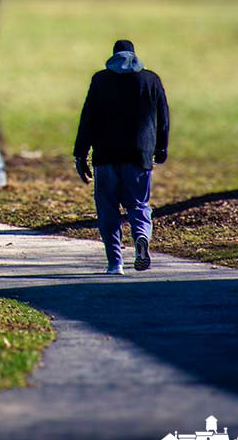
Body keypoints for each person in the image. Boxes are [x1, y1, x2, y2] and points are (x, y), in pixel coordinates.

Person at [73, 38, 170, 274]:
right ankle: (140, 236)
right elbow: (163, 118)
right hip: (139, 156)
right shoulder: (151, 80)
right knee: (139, 204)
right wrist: (161, 149)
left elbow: (88, 119)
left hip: (105, 156)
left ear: (113, 56)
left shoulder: (100, 80)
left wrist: (80, 154)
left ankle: (115, 262)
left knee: (108, 209)